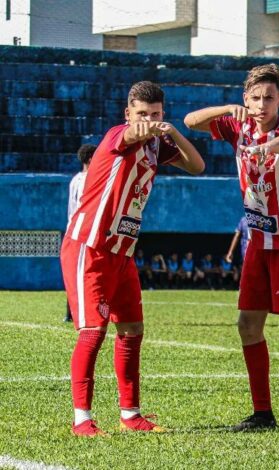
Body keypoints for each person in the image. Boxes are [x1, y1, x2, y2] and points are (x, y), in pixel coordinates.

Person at [60, 81, 205, 436]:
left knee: (132, 330)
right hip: (89, 245)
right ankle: (82, 420)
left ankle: (130, 415)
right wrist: (140, 129)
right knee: (93, 332)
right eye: (142, 114)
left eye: (156, 114)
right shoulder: (116, 135)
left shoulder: (158, 143)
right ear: (129, 114)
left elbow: (197, 166)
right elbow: (127, 139)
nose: (149, 121)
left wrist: (170, 131)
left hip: (122, 250)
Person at [184, 63, 279, 433]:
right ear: (246, 98)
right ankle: (263, 413)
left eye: (269, 98)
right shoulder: (236, 124)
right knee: (247, 325)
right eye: (255, 98)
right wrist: (227, 110)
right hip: (257, 242)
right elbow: (191, 121)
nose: (261, 105)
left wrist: (266, 147)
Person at [64, 143, 97, 322]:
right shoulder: (89, 180)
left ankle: (71, 313)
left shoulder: (75, 179)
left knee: (76, 273)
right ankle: (78, 312)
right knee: (84, 273)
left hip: (72, 229)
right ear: (92, 159)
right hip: (83, 231)